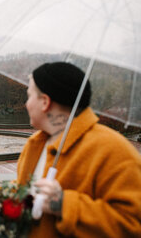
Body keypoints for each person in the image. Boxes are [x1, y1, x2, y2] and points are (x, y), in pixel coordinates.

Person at [17, 62, 141, 237]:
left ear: (44, 102)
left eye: (29, 96)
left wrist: (64, 205)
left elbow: (132, 225)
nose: (26, 104)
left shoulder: (115, 150)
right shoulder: (34, 145)